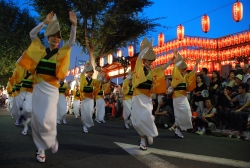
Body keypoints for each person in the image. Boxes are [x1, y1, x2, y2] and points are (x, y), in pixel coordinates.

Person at [17, 11, 77, 162]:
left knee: (48, 118)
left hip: (51, 90)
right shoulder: (40, 51)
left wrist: (74, 25)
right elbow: (32, 35)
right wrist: (44, 23)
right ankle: (41, 149)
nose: (56, 39)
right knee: (37, 119)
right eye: (53, 36)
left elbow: (71, 42)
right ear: (48, 37)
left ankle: (50, 140)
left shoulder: (61, 53)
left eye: (58, 37)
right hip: (38, 89)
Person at [132, 37, 174, 150]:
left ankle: (149, 133)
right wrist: (148, 48)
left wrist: (171, 61)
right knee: (138, 121)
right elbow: (140, 56)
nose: (151, 62)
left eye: (152, 61)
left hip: (146, 98)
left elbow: (162, 68)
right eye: (149, 60)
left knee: (148, 118)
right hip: (137, 97)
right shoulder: (138, 67)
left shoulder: (152, 72)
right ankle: (143, 140)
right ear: (144, 60)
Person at [171, 53, 200, 138]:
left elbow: (192, 73)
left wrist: (196, 64)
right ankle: (177, 130)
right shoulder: (175, 74)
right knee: (179, 115)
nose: (182, 70)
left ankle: (177, 129)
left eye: (183, 69)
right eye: (181, 69)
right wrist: (182, 60)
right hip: (176, 97)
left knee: (187, 113)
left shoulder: (185, 77)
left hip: (183, 97)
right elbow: (175, 67)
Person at [80, 61, 103, 133]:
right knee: (84, 112)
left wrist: (101, 72)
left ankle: (87, 124)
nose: (91, 73)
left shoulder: (93, 81)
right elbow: (81, 74)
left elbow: (99, 81)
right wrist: (85, 68)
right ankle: (84, 125)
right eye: (90, 72)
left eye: (92, 72)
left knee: (90, 111)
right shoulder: (83, 79)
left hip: (90, 98)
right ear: (87, 72)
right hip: (84, 98)